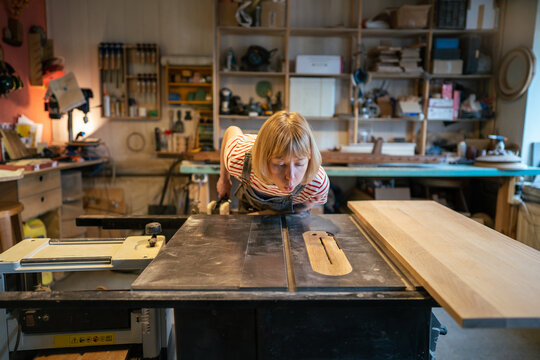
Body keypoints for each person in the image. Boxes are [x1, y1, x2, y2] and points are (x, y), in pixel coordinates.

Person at [217, 111, 329, 214]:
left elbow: (306, 206)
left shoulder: (317, 184)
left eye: (299, 164)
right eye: (280, 165)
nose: (290, 177)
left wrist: (264, 215)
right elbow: (231, 130)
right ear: (263, 159)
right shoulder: (237, 158)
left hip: (291, 214)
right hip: (250, 208)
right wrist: (224, 180)